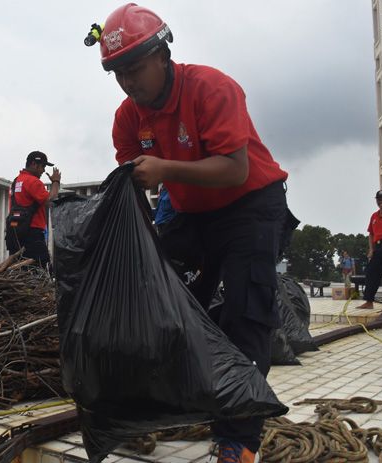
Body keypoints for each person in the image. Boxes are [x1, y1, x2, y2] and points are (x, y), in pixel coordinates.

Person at [88, 4, 296, 461]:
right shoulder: (128, 118)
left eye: (135, 68)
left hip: (250, 206)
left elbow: (235, 168)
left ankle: (237, 440)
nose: (128, 82)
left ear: (163, 55)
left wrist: (164, 168)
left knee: (246, 314)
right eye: (118, 73)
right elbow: (135, 186)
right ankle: (159, 401)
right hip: (191, 213)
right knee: (155, 301)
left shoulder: (211, 88)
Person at [5, 151, 61, 268]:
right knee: (39, 264)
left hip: (15, 232)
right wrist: (56, 182)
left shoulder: (16, 181)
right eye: (43, 166)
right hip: (32, 232)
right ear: (34, 164)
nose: (43, 170)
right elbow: (51, 200)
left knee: (19, 268)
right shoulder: (33, 182)